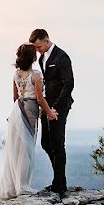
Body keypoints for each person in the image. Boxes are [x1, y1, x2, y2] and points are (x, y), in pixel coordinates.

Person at [0, 44, 58, 202]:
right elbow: (39, 98)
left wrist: (17, 111)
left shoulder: (16, 74)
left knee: (16, 146)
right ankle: (22, 185)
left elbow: (15, 97)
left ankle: (14, 184)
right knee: (26, 147)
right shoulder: (36, 75)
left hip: (17, 109)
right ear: (33, 58)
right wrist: (49, 112)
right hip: (30, 108)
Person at [29, 28, 75, 196]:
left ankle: (60, 184)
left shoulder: (62, 57)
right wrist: (45, 107)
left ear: (46, 41)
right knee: (46, 143)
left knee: (57, 144)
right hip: (46, 107)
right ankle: (58, 180)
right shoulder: (42, 58)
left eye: (39, 46)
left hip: (59, 107)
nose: (37, 50)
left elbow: (68, 84)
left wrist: (56, 107)